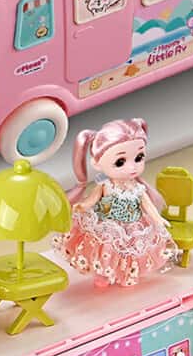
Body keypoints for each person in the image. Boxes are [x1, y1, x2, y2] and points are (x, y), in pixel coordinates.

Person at [54, 117, 177, 288]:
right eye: (120, 162)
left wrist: (158, 218)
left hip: (134, 225)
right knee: (105, 250)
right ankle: (103, 273)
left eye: (139, 158)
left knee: (131, 252)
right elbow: (93, 199)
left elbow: (147, 204)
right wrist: (82, 206)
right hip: (108, 224)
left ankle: (127, 273)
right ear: (97, 163)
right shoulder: (105, 184)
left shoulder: (137, 187)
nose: (132, 167)